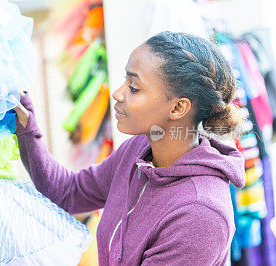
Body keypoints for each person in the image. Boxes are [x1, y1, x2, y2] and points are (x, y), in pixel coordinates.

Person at [13, 31, 246, 265]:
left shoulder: (200, 214)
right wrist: (27, 128)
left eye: (134, 87)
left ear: (177, 108)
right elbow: (68, 192)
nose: (117, 93)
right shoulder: (138, 151)